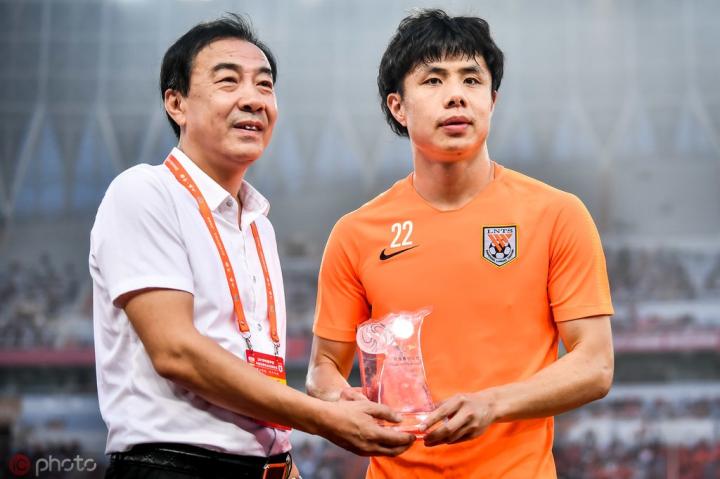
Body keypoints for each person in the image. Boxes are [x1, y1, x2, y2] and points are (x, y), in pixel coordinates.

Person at [89, 14, 414, 479]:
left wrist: (285, 457)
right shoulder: (145, 191)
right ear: (176, 103)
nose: (253, 99)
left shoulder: (258, 224)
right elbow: (176, 352)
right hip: (174, 467)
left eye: (265, 85)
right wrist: (322, 419)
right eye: (228, 81)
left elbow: (254, 371)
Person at [306, 9, 614, 479]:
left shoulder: (556, 214)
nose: (456, 94)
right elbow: (323, 366)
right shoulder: (356, 232)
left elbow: (595, 364)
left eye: (471, 80)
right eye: (433, 80)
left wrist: (493, 403)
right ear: (398, 107)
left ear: (492, 100)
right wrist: (341, 399)